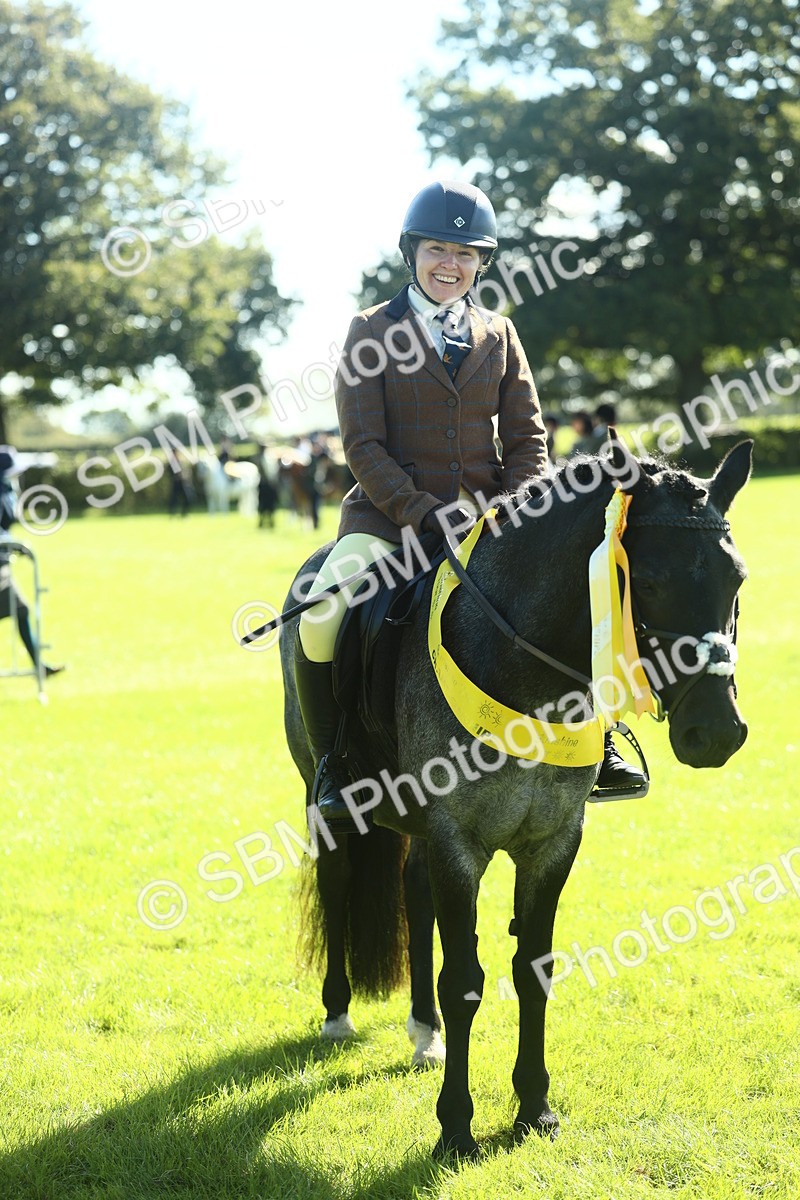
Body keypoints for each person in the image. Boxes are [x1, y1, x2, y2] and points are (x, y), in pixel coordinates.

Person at [292, 181, 645, 825]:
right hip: (389, 521)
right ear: (412, 253)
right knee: (323, 614)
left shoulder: (501, 334)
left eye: (464, 251)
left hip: (492, 518)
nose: (448, 264)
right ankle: (333, 762)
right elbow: (362, 445)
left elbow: (527, 437)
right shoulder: (370, 329)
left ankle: (605, 742)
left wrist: (517, 508)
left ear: (480, 261)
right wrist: (423, 511)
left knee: (585, 589)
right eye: (436, 249)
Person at [0, 447, 64, 679]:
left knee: (20, 609)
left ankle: (39, 665)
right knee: (20, 608)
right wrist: (13, 543)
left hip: (2, 565)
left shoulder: (6, 492)